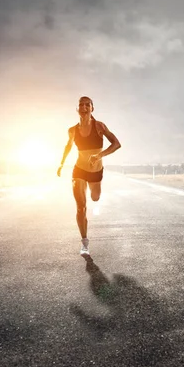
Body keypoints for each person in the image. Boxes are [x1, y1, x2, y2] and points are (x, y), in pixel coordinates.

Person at [57, 96, 121, 255]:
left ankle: (96, 191)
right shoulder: (72, 130)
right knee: (80, 207)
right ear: (77, 109)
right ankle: (84, 242)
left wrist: (99, 156)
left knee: (95, 197)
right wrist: (61, 163)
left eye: (87, 104)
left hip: (95, 171)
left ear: (92, 108)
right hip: (79, 169)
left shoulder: (99, 126)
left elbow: (116, 144)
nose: (84, 107)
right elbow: (68, 146)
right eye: (81, 104)